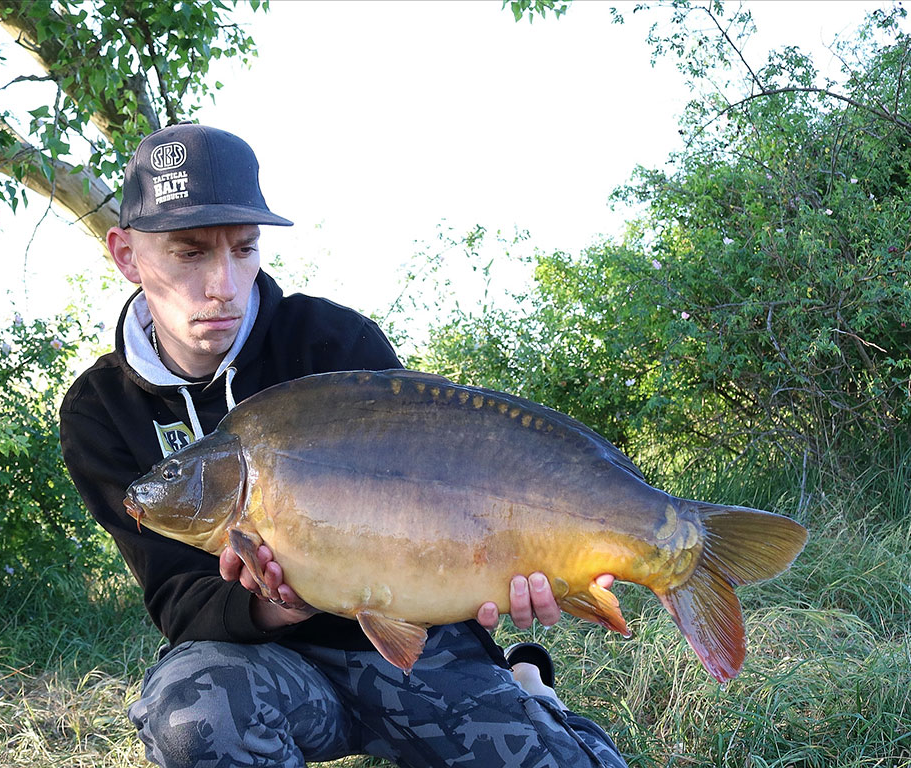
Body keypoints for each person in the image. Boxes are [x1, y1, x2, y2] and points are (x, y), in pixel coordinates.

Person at [59, 122, 626, 768]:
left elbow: (453, 497)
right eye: (190, 254)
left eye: (244, 250)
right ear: (127, 254)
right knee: (190, 710)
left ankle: (530, 691)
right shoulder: (99, 412)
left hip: (419, 656)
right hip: (259, 664)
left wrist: (523, 557)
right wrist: (277, 604)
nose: (223, 284)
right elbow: (176, 598)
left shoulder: (334, 345)